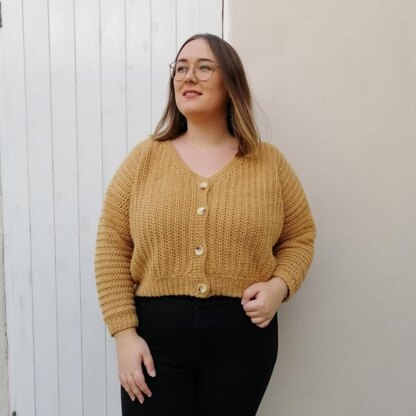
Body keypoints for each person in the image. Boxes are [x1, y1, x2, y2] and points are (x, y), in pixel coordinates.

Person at [94, 33, 316, 416]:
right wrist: (124, 334)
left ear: (230, 82)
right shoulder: (144, 160)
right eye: (180, 68)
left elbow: (300, 237)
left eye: (203, 67)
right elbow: (112, 244)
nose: (188, 76)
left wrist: (279, 286)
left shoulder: (269, 164)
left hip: (242, 340)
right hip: (155, 342)